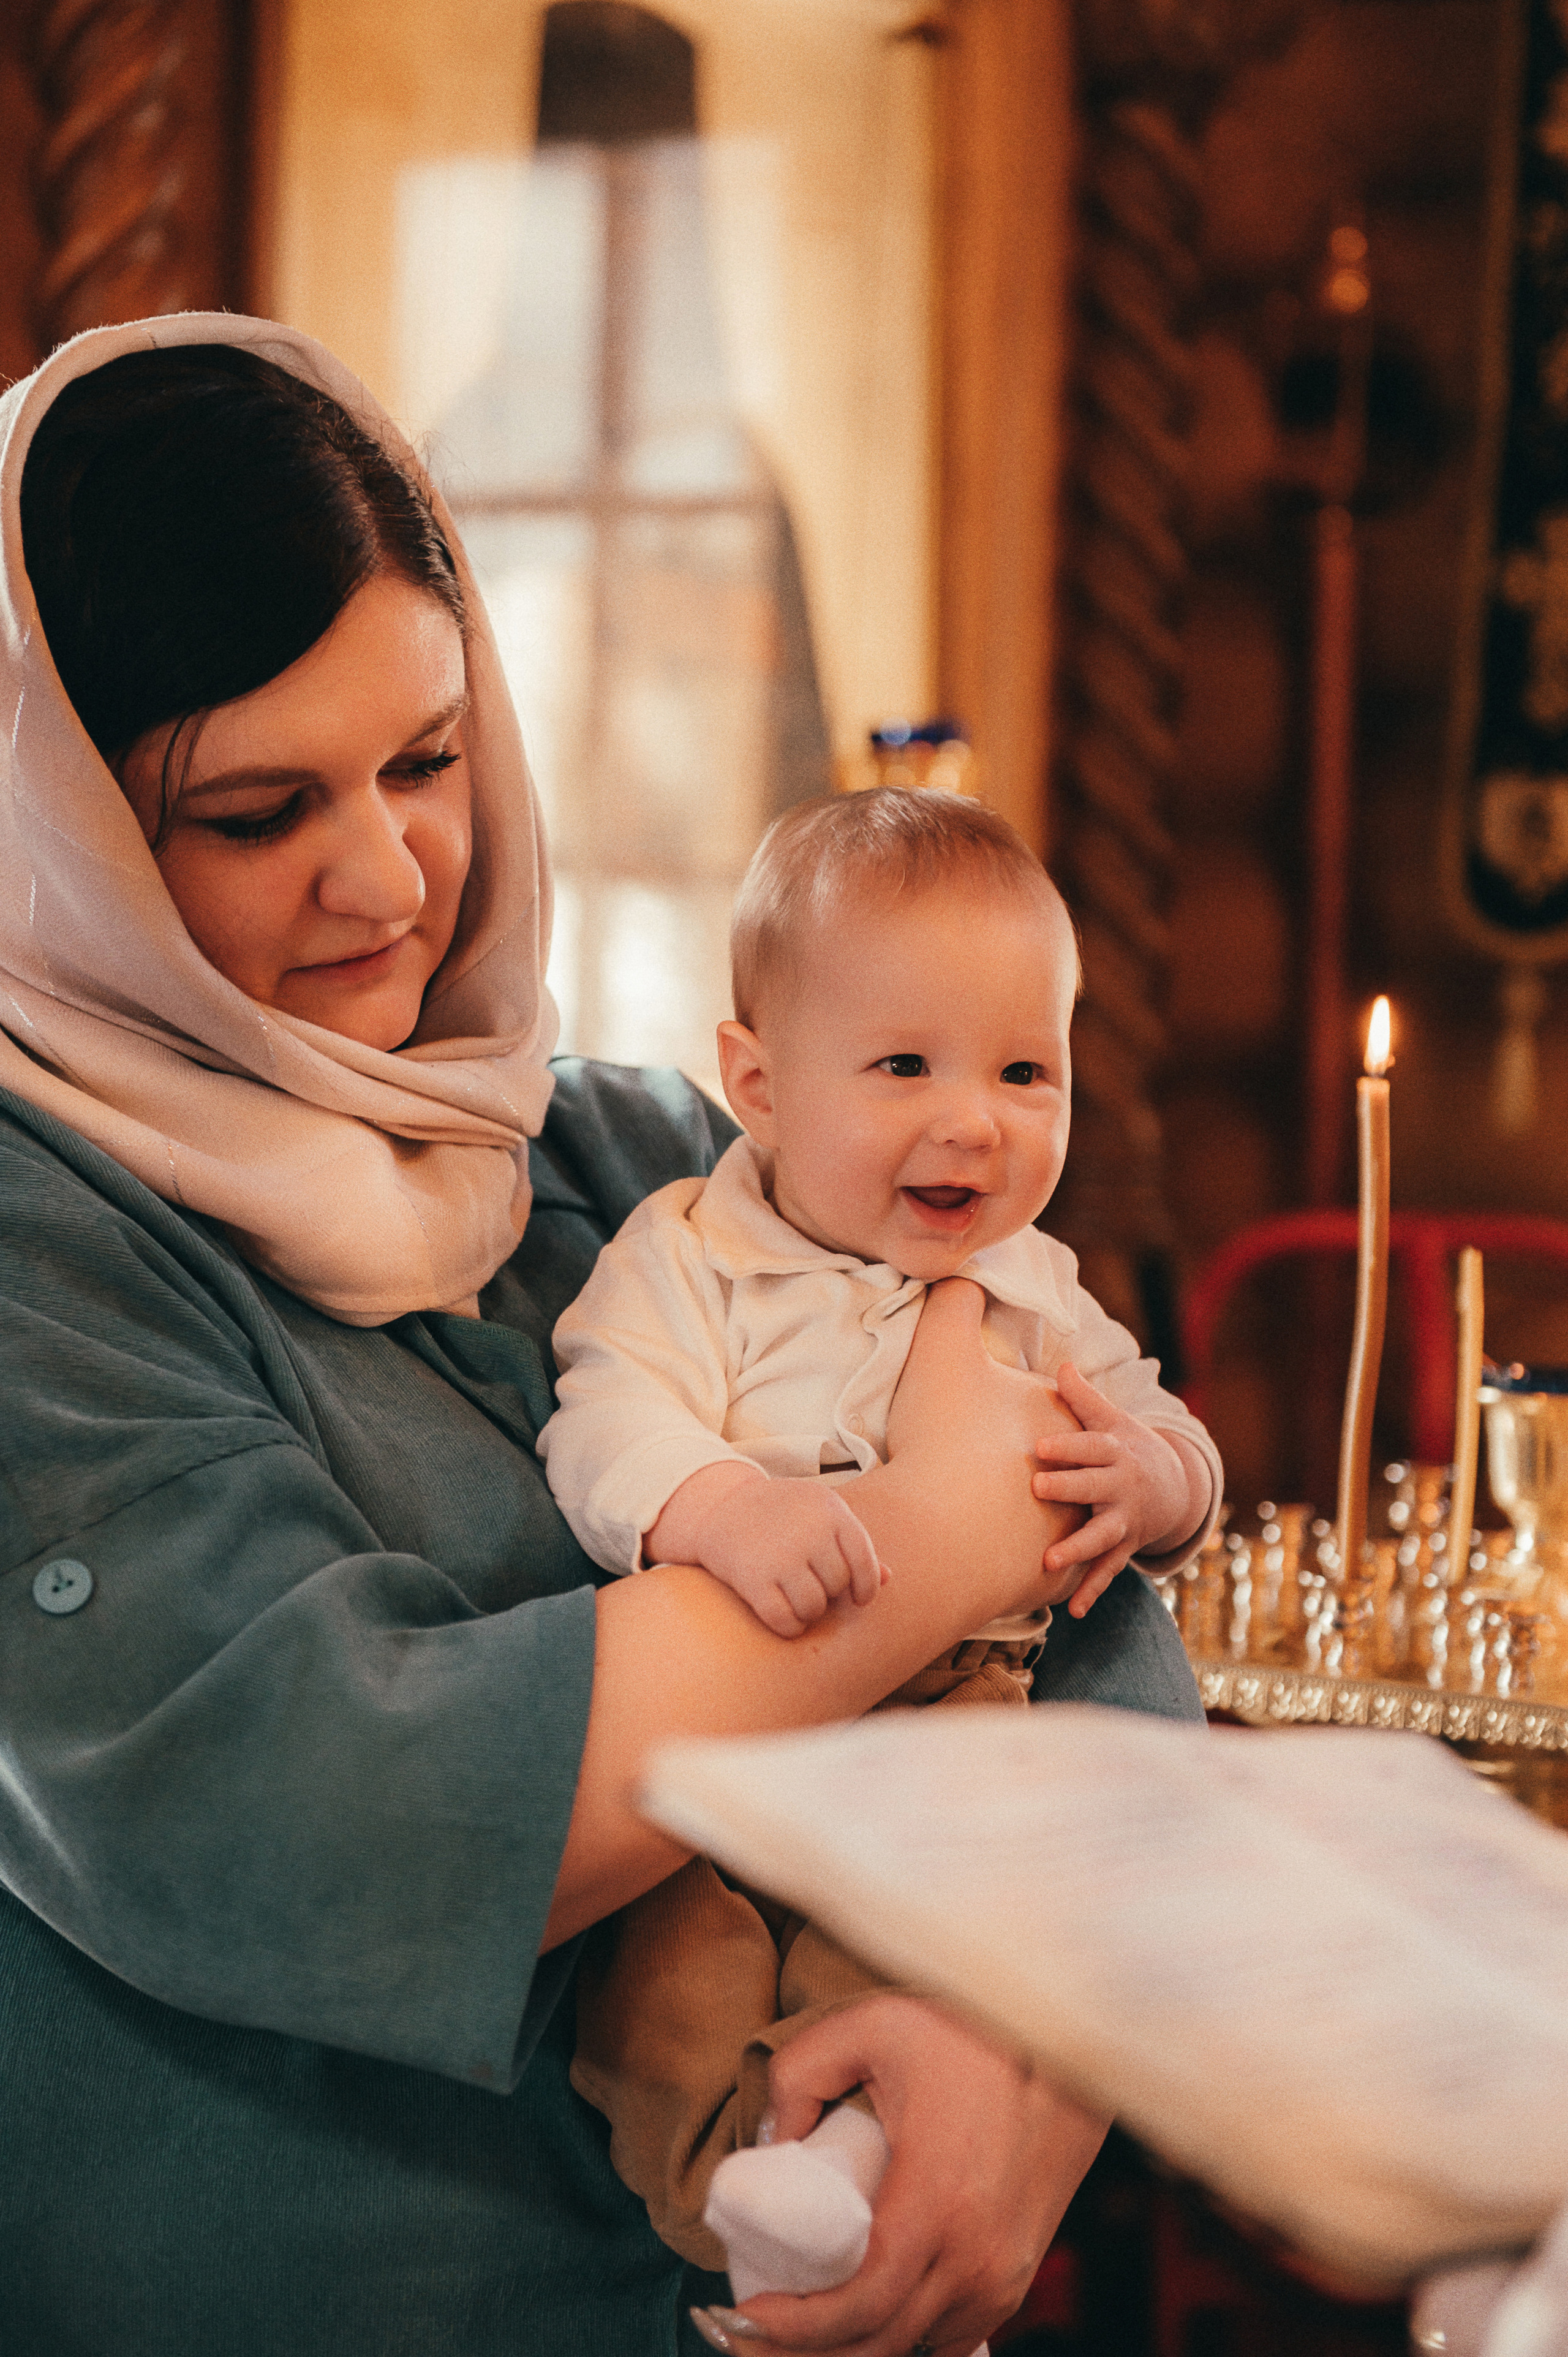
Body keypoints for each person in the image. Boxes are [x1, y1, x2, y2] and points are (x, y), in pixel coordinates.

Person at [0, 311, 1204, 2357]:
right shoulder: (49, 1253)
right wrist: (946, 1532)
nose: (385, 871)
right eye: (254, 806)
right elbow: (324, 1815)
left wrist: (1031, 2052)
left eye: (427, 757)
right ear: (64, 831)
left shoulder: (655, 1149)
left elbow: (1112, 1654)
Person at [538, 790, 1222, 2297]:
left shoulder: (1030, 1281)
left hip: (953, 1706)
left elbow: (1157, 1424)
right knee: (659, 1983)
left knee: (926, 1952)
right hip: (713, 1732)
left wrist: (1153, 1483)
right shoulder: (692, 1252)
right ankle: (738, 2194)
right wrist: (719, 1505)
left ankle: (851, 2171)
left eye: (1023, 1069)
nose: (971, 1118)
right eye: (903, 1064)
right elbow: (601, 1421)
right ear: (759, 1083)